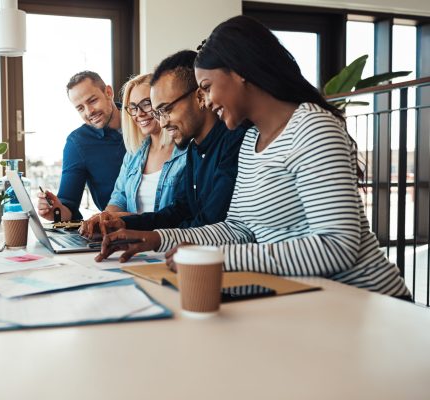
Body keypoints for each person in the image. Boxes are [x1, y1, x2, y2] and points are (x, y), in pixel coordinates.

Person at [96, 16, 411, 298]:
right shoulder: (250, 141)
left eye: (206, 87)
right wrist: (158, 239)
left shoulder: (313, 127)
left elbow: (336, 248)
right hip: (307, 295)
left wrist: (217, 256)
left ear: (239, 74)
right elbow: (238, 229)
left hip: (364, 299)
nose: (205, 100)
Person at [81, 50, 246, 238]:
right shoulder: (194, 149)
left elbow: (211, 224)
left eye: (165, 109)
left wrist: (155, 239)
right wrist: (122, 223)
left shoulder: (234, 142)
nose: (163, 122)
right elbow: (179, 212)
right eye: (158, 113)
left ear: (200, 97)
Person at [37, 71, 126, 221]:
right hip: (115, 228)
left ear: (108, 92)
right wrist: (54, 210)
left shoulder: (143, 120)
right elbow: (68, 206)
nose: (89, 111)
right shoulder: (77, 143)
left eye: (92, 101)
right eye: (80, 108)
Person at [99, 73, 186, 217]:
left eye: (146, 104)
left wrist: (130, 220)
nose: (139, 114)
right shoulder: (134, 154)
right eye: (133, 108)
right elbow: (118, 199)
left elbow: (182, 215)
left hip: (169, 238)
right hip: (131, 237)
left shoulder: (187, 151)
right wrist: (104, 219)